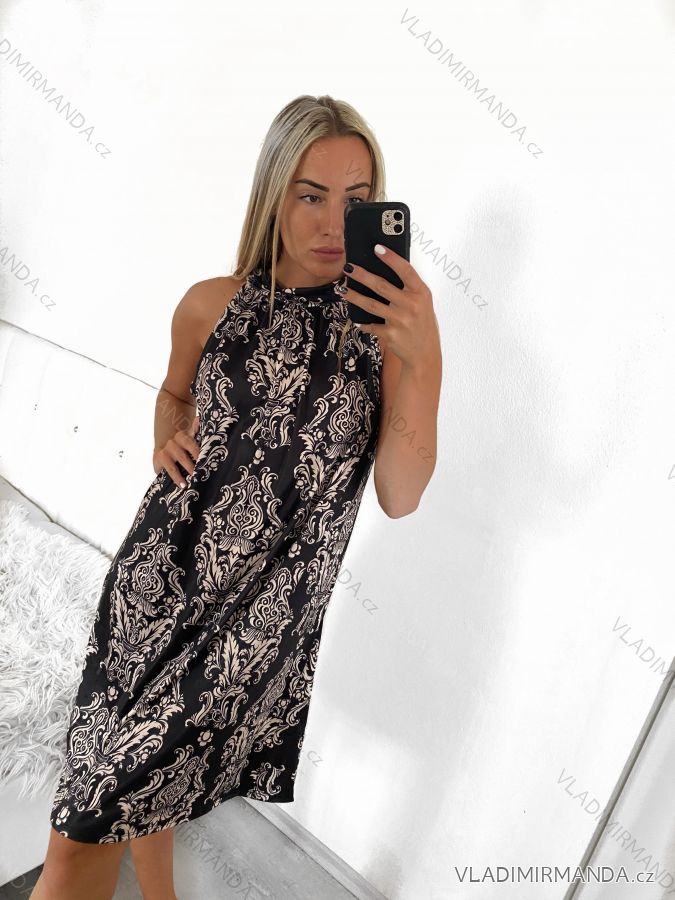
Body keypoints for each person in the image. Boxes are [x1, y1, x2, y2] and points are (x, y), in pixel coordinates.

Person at [31, 93, 442, 900]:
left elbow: (400, 493)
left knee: (89, 820)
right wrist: (166, 436)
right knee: (98, 805)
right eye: (310, 195)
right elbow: (174, 393)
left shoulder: (387, 333)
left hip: (252, 629)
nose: (333, 222)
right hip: (152, 587)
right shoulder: (208, 302)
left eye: (356, 200)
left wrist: (424, 357)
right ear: (272, 194)